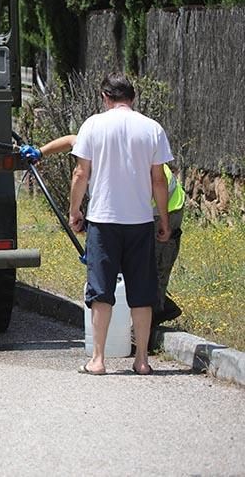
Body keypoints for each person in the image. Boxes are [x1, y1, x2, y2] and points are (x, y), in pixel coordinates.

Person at [67, 73, 172, 376]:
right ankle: (141, 360)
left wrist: (75, 210)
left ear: (104, 97)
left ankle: (98, 359)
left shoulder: (93, 125)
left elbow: (80, 174)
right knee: (142, 290)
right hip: (139, 220)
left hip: (103, 221)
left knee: (101, 290)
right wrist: (163, 219)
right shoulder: (151, 128)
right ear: (133, 98)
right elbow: (159, 179)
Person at [39, 134, 186, 326]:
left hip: (165, 208)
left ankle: (147, 324)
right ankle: (145, 315)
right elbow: (71, 140)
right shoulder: (96, 145)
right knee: (125, 265)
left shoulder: (124, 167)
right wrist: (39, 152)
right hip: (138, 208)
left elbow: (122, 216)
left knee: (151, 268)